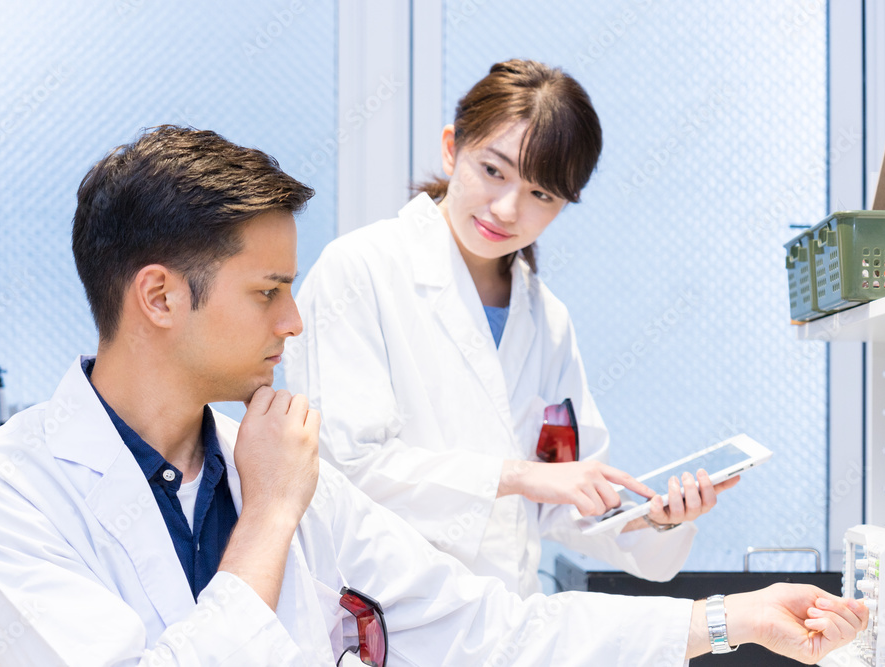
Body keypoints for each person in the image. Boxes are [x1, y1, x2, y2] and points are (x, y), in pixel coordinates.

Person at [0, 126, 865, 666]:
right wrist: (270, 518)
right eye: (268, 292)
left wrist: (725, 619)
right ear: (161, 297)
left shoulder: (279, 468)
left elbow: (491, 627)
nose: (295, 321)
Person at [284, 59, 734, 597]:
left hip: (506, 619)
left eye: (541, 195)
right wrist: (518, 476)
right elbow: (346, 469)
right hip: (385, 614)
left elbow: (563, 499)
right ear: (452, 149)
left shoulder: (547, 320)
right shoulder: (360, 271)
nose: (506, 209)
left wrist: (656, 519)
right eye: (493, 171)